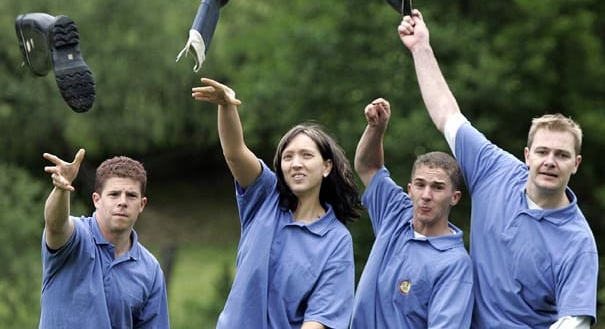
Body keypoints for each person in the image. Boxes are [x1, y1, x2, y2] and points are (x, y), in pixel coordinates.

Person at [398, 9, 598, 328]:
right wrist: (421, 47)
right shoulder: (495, 169)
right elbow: (447, 115)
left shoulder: (578, 242)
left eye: (561, 155)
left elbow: (575, 322)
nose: (549, 161)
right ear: (527, 155)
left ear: (575, 164)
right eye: (543, 151)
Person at [192, 78, 364, 329]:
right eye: (288, 157)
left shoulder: (336, 240)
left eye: (306, 155)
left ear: (327, 166)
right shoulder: (264, 196)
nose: (296, 163)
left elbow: (319, 319)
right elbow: (235, 153)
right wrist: (227, 107)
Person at [351, 97, 474, 328]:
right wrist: (376, 129)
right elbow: (368, 166)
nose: (426, 195)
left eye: (437, 187)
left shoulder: (455, 264)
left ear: (454, 197)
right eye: (420, 185)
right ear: (410, 190)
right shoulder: (395, 213)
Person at [40, 149, 170, 328]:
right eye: (114, 194)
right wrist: (61, 189)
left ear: (142, 204)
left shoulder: (150, 270)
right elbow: (55, 225)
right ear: (96, 200)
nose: (122, 202)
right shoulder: (75, 238)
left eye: (131, 195)